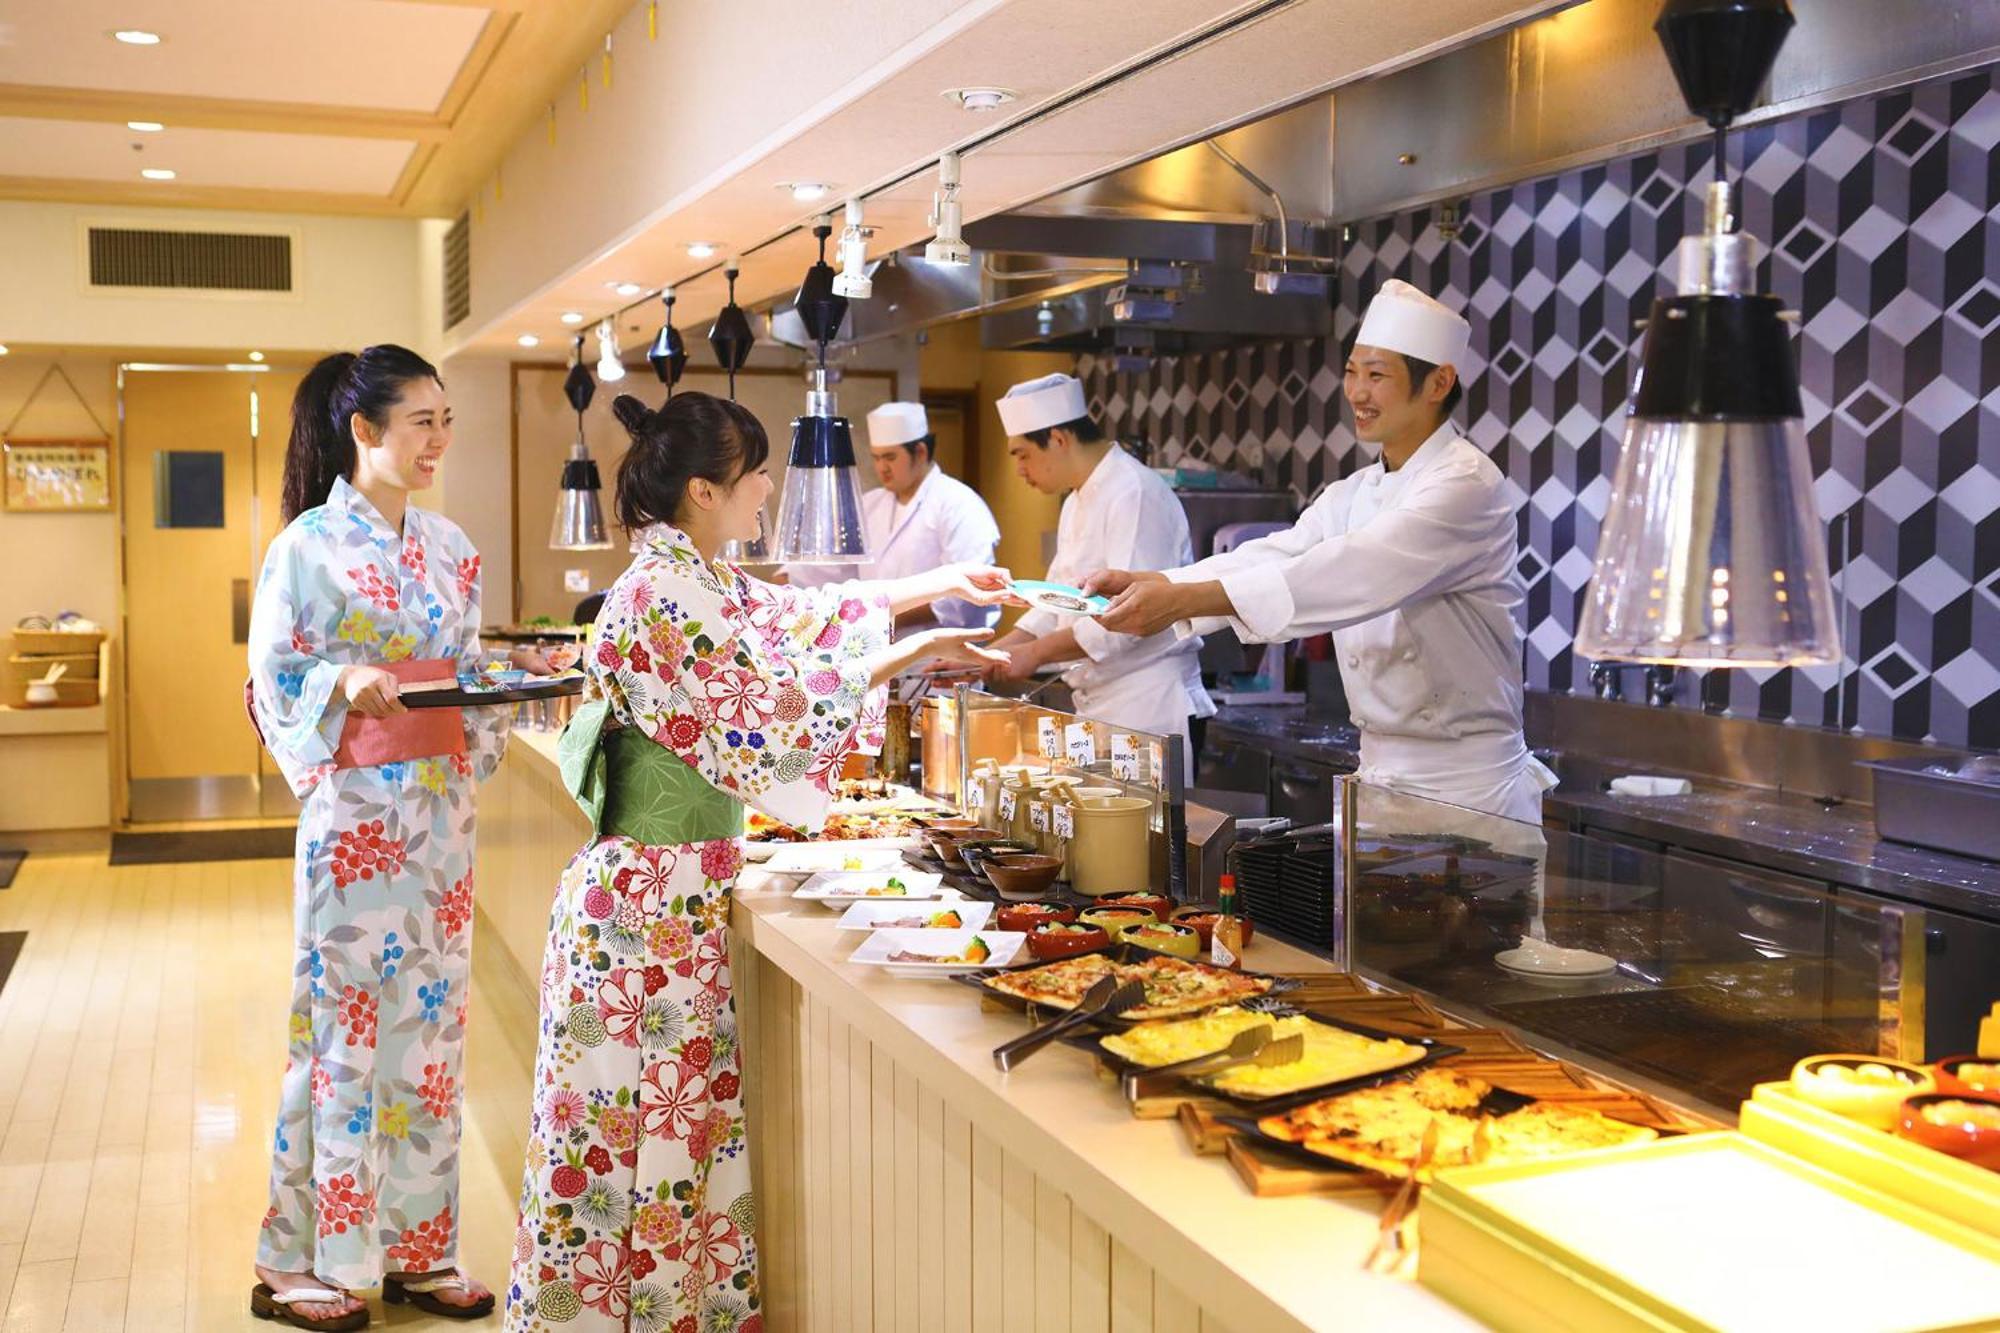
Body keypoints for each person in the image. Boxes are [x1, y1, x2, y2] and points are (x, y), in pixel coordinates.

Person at [505, 391, 1008, 1333]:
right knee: (631, 1146)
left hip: (659, 905)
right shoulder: (665, 594)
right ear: (704, 489)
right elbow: (774, 709)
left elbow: (804, 614)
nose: (769, 488)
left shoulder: (691, 576)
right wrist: (916, 650)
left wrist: (936, 594)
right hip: (644, 918)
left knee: (666, 1145)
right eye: (756, 475)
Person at [248, 345, 548, 1330]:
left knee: (431, 1036)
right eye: (419, 420)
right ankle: (299, 1259)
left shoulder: (451, 548)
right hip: (352, 820)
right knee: (338, 1034)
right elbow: (275, 677)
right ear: (363, 430)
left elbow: (464, 673)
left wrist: (521, 683)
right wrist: (340, 682)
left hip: (436, 818)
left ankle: (421, 1252)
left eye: (445, 418)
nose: (438, 439)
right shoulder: (302, 548)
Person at [1087, 281, 1552, 823]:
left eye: (1376, 375)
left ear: (1438, 383)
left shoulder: (1467, 485)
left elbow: (1352, 572)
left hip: (1467, 791)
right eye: (1352, 373)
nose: (1356, 392)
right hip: (1380, 776)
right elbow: (1279, 554)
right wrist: (1163, 583)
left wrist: (1184, 600)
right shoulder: (1353, 492)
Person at [982, 372, 1213, 772]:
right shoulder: (1076, 499)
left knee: (1146, 834)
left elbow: (1125, 618)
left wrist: (1033, 654)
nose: (1020, 470)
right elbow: (1055, 599)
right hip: (1101, 707)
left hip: (1150, 708)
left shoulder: (1133, 491)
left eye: (1021, 454)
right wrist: (996, 651)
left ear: (1057, 439)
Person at [780, 400, 1001, 632]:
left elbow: (961, 599)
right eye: (876, 458)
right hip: (879, 648)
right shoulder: (868, 504)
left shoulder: (959, 503)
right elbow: (831, 566)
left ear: (921, 452)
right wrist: (783, 584)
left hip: (941, 659)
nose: (882, 468)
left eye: (890, 457)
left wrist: (874, 618)